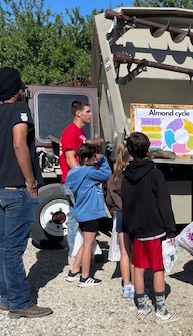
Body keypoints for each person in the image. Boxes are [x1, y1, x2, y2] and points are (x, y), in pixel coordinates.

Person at [0, 67, 53, 319]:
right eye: (21, 86)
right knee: (12, 248)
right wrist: (31, 182)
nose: (24, 90)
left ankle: (6, 296)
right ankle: (20, 302)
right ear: (15, 89)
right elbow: (19, 142)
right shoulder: (18, 110)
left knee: (2, 246)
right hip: (17, 190)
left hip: (0, 189)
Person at [121, 132, 181, 324]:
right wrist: (171, 230)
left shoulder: (126, 176)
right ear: (148, 150)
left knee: (138, 267)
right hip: (155, 229)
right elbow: (164, 204)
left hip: (136, 231)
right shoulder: (155, 174)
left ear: (129, 151)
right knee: (157, 269)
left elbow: (125, 202)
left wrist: (129, 226)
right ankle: (161, 311)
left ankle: (141, 306)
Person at [65, 143, 111, 287]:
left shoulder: (74, 173)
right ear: (86, 159)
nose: (95, 160)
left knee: (85, 243)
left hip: (81, 212)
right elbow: (107, 174)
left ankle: (74, 271)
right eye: (93, 157)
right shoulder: (90, 173)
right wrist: (103, 160)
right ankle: (85, 277)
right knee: (88, 245)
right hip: (90, 213)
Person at [59, 100, 92, 256]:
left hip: (77, 180)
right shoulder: (71, 132)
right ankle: (77, 251)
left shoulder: (80, 133)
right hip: (73, 182)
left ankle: (79, 250)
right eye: (87, 111)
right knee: (77, 217)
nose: (90, 114)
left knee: (75, 215)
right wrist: (82, 176)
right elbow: (70, 158)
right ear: (78, 113)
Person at [105, 142, 135, 298]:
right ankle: (137, 285)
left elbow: (109, 200)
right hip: (135, 215)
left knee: (124, 252)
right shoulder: (133, 177)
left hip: (120, 215)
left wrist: (113, 210)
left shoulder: (113, 178)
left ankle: (127, 286)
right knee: (135, 253)